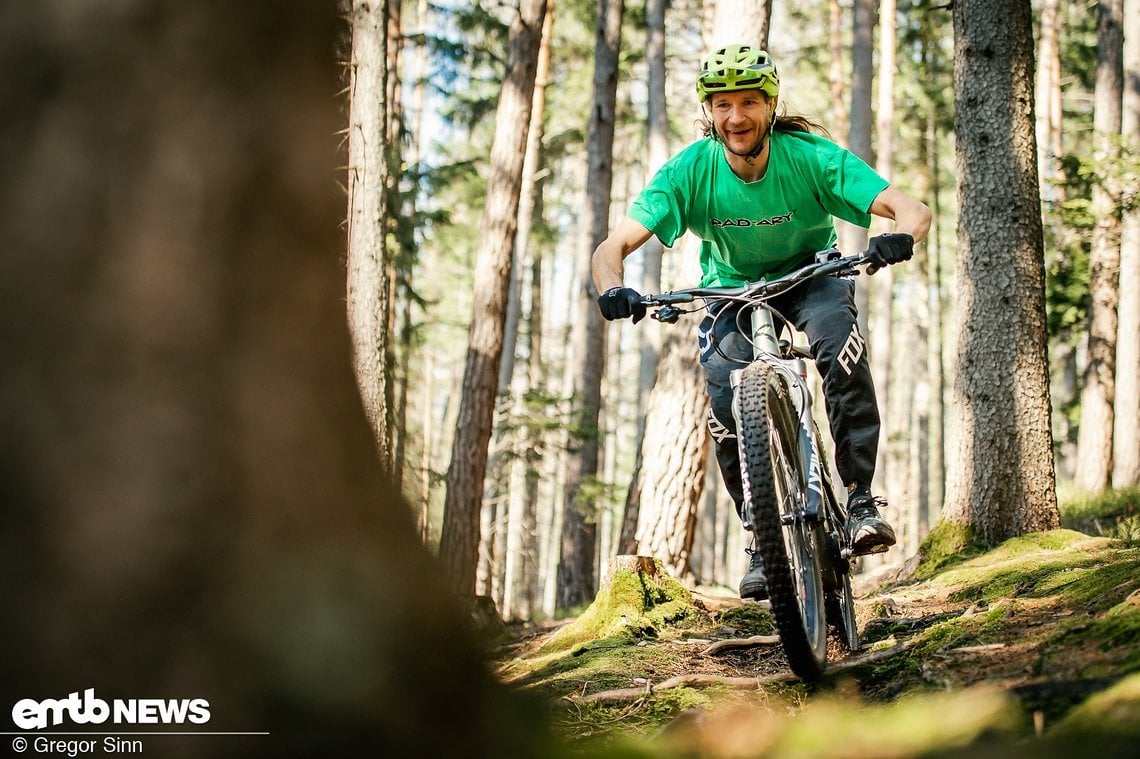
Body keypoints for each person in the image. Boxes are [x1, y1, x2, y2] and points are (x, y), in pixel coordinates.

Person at [591, 44, 932, 601]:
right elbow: (613, 247)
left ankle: (861, 498)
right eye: (722, 104)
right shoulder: (689, 171)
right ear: (709, 111)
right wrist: (613, 289)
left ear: (770, 105)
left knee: (838, 347)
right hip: (729, 291)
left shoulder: (811, 157)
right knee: (725, 404)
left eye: (748, 102)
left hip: (811, 277)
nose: (736, 117)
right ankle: (762, 536)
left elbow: (913, 209)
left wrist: (896, 237)